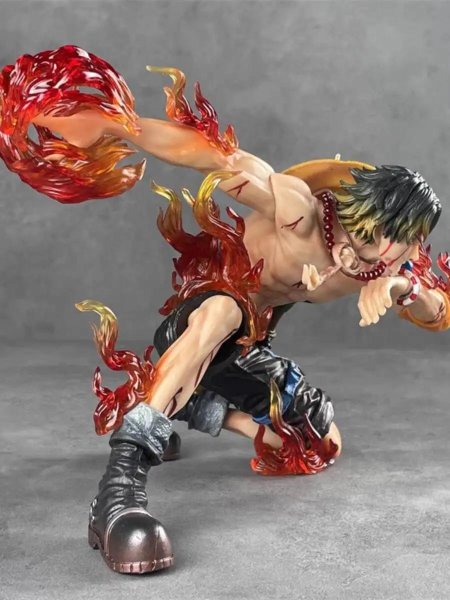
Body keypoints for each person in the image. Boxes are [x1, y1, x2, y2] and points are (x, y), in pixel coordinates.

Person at [1, 45, 449, 574]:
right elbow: (215, 158)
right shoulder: (298, 213)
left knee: (316, 444)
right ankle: (119, 490)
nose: (383, 253)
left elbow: (438, 310)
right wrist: (116, 126)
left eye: (401, 247)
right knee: (225, 312)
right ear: (363, 213)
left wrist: (401, 288)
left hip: (246, 350)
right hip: (199, 323)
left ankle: (187, 405)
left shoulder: (393, 265)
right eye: (375, 236)